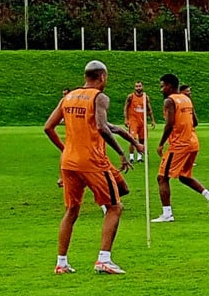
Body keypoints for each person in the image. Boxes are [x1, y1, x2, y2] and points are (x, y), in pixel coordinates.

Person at [44, 61, 142, 275]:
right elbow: (102, 127)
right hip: (92, 162)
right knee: (116, 207)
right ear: (102, 77)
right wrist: (121, 152)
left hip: (69, 163)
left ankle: (61, 262)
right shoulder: (99, 97)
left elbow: (48, 127)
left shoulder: (68, 97)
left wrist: (65, 148)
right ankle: (104, 259)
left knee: (71, 210)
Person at [151, 73, 209, 223]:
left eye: (162, 86)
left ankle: (167, 214)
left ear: (169, 86)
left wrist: (161, 143)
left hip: (179, 145)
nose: (161, 89)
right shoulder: (186, 99)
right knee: (183, 176)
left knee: (162, 177)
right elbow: (195, 122)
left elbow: (169, 124)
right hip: (193, 142)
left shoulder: (170, 101)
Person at [123, 81, 154, 163]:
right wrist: (126, 119)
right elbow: (125, 107)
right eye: (136, 86)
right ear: (134, 87)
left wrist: (152, 120)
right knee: (132, 139)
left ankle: (139, 157)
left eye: (139, 86)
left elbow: (149, 109)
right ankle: (131, 157)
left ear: (142, 87)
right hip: (133, 121)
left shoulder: (145, 97)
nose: (138, 88)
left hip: (142, 121)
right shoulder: (131, 97)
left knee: (142, 140)